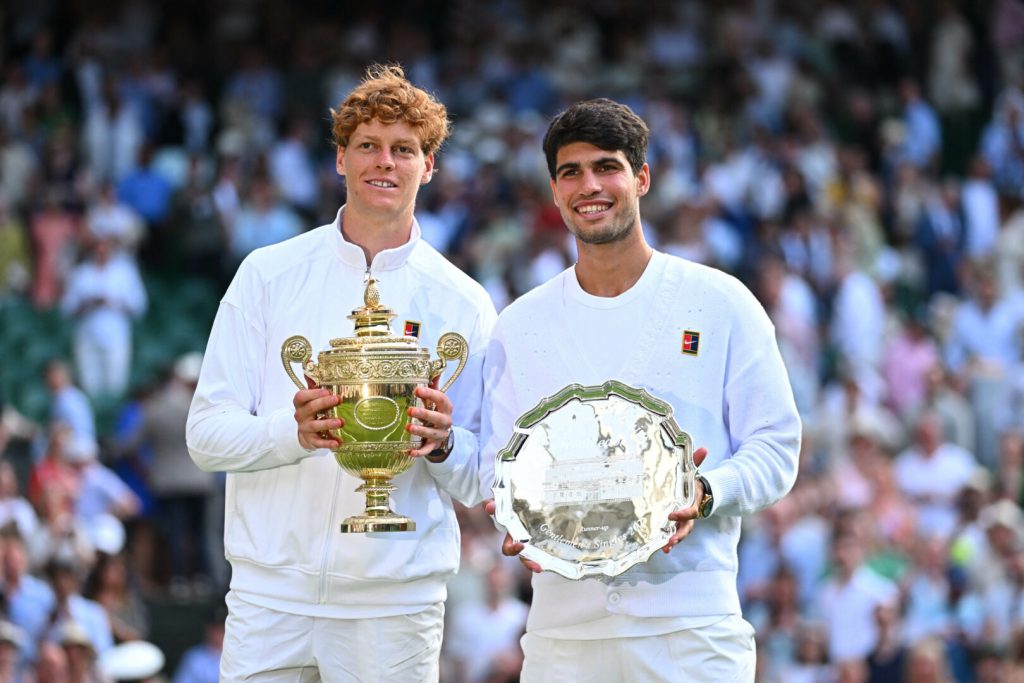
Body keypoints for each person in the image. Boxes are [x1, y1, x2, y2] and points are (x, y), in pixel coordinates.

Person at [185, 63, 496, 682]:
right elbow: (205, 436)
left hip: (396, 604)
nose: (385, 162)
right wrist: (291, 433)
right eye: (368, 146)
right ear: (340, 159)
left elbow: (484, 478)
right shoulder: (267, 275)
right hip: (270, 597)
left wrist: (442, 445)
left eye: (403, 149)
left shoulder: (464, 303)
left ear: (428, 166)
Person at [480, 98, 801, 682]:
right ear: (554, 192)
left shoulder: (721, 302)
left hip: (691, 630)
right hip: (563, 636)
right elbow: (496, 462)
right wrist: (512, 512)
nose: (589, 186)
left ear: (642, 178)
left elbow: (777, 449)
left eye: (607, 167)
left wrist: (704, 491)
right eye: (570, 172)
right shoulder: (520, 326)